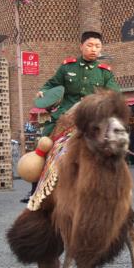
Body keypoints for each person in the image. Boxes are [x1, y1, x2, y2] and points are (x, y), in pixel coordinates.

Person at [20, 31, 120, 203]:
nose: (93, 49)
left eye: (97, 46)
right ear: (81, 46)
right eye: (89, 45)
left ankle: (111, 186)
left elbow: (115, 93)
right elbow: (51, 84)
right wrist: (43, 92)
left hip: (91, 115)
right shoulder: (67, 67)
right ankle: (35, 188)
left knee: (112, 145)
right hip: (65, 113)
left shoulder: (105, 72)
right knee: (45, 143)